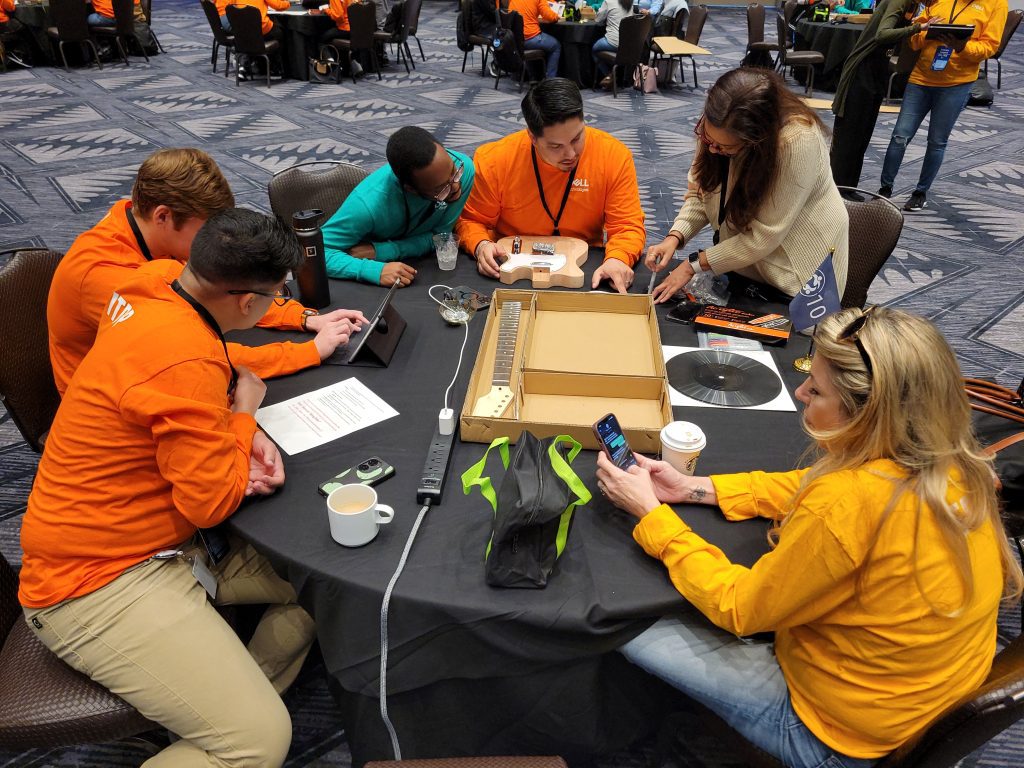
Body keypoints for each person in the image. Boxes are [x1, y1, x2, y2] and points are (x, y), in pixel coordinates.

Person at [595, 306, 1023, 768]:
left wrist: (651, 513)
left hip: (837, 738)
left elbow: (741, 609)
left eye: (816, 391)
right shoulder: (954, 460)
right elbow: (808, 486)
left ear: (869, 415)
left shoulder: (845, 502)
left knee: (616, 623)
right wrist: (697, 488)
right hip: (919, 696)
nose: (799, 394)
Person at [20, 209, 321, 767]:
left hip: (148, 538)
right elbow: (210, 502)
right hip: (96, 581)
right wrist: (242, 417)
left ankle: (222, 702)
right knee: (257, 744)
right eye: (274, 295)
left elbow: (185, 370)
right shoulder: (186, 360)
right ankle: (236, 728)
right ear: (248, 303)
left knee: (325, 587)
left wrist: (229, 422)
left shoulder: (154, 282)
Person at [48, 147, 365, 396]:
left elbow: (225, 283)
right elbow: (204, 354)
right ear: (163, 216)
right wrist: (307, 352)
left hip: (153, 369)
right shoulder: (104, 274)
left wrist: (305, 318)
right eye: (204, 230)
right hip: (119, 405)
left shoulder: (143, 224)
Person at [646, 67, 848, 302]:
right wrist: (676, 236)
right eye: (708, 139)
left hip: (798, 274)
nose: (712, 149)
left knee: (782, 336)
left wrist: (694, 264)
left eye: (723, 147)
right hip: (748, 263)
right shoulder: (718, 127)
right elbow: (703, 193)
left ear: (757, 139)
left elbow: (764, 237)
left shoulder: (797, 141)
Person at [456, 78, 645, 292]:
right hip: (512, 266)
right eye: (556, 146)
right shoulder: (495, 160)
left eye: (576, 138)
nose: (571, 154)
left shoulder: (613, 156)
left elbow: (626, 225)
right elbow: (471, 220)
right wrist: (481, 245)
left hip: (585, 266)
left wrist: (619, 258)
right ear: (532, 137)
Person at [878, 0, 1007, 211]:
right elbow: (914, 40)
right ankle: (885, 189)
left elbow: (990, 47)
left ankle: (920, 193)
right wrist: (925, 32)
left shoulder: (996, 4)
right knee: (900, 136)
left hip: (957, 83)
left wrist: (962, 46)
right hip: (921, 78)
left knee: (937, 141)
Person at [321, 126, 475, 286]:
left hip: (413, 264)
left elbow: (440, 236)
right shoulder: (367, 205)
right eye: (441, 189)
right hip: (375, 276)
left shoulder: (464, 169)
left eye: (454, 171)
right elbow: (314, 254)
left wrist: (383, 250)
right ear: (411, 189)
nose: (456, 186)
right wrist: (372, 270)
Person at [831, 0, 940, 193]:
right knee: (849, 136)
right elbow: (883, 34)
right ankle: (835, 190)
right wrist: (917, 28)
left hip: (879, 70)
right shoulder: (899, 1)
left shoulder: (912, 5)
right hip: (862, 70)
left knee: (863, 135)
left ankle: (848, 188)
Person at [508, 0, 561, 79]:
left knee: (530, 43)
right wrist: (556, 16)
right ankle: (550, 81)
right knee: (556, 46)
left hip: (513, 39)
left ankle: (533, 77)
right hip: (529, 37)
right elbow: (549, 16)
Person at [592, 0, 633, 87]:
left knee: (594, 49)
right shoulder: (630, 3)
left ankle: (609, 75)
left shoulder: (608, 2)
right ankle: (613, 75)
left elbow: (598, 20)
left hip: (613, 42)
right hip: (629, 45)